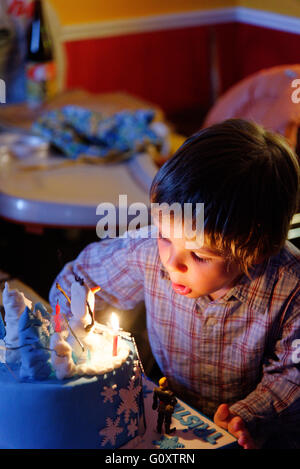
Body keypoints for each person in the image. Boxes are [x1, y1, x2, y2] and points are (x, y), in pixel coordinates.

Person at [49, 119, 300, 449]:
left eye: (198, 255)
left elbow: (292, 374)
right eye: (166, 236)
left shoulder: (290, 287)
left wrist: (247, 415)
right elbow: (77, 278)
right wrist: (78, 323)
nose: (172, 262)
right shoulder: (148, 250)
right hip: (169, 416)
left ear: (256, 250)